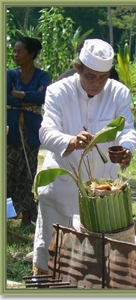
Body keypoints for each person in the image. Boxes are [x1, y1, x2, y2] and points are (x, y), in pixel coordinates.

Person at [32, 38, 136, 275]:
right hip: (61, 189)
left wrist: (126, 148)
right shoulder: (58, 91)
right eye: (91, 76)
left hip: (102, 196)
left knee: (94, 264)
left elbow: (128, 129)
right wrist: (69, 141)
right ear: (77, 67)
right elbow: (46, 131)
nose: (97, 83)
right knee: (51, 257)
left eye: (103, 77)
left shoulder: (118, 92)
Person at [7, 37, 51, 226]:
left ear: (31, 54)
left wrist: (19, 94)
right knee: (7, 171)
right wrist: (26, 99)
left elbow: (43, 96)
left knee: (28, 170)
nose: (15, 55)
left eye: (20, 51)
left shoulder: (43, 76)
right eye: (14, 51)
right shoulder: (9, 74)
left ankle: (26, 218)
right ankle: (8, 214)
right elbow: (6, 96)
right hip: (10, 131)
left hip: (31, 131)